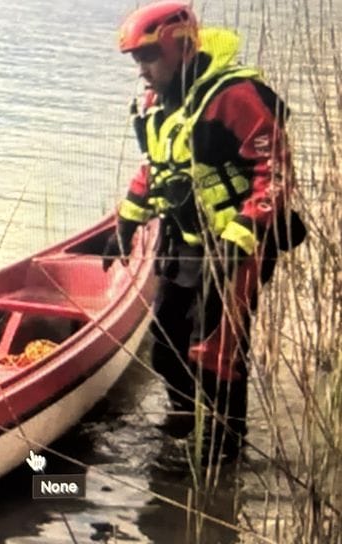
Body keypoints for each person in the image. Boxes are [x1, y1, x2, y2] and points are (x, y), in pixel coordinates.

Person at [102, 1, 304, 462]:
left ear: (180, 47)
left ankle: (221, 453)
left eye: (148, 58)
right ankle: (183, 424)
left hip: (240, 245)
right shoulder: (158, 102)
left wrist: (240, 237)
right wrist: (127, 224)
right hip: (185, 239)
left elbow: (275, 171)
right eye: (137, 61)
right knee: (168, 346)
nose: (142, 71)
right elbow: (155, 168)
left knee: (216, 353)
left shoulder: (235, 96)